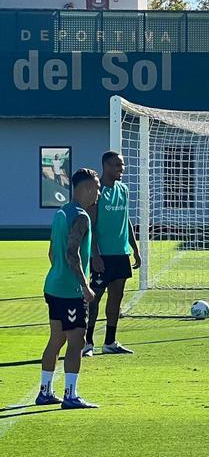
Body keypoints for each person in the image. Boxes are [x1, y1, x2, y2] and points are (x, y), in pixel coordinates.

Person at [37, 168, 101, 410]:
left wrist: (60, 273)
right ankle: (71, 396)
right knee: (77, 340)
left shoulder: (61, 212)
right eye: (96, 188)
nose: (98, 193)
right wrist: (84, 286)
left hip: (53, 285)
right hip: (70, 291)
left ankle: (45, 392)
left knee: (56, 339)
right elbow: (71, 252)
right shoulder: (82, 217)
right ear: (85, 188)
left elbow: (53, 252)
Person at [83, 151, 141, 356]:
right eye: (117, 165)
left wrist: (135, 249)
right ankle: (87, 342)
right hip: (102, 256)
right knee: (94, 298)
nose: (122, 169)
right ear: (106, 166)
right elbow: (90, 225)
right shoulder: (97, 193)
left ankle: (110, 342)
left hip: (120, 254)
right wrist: (95, 255)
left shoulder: (123, 190)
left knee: (116, 296)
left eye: (122, 165)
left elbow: (126, 220)